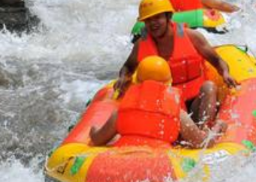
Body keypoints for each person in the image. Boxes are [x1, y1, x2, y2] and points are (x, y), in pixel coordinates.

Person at [115, 0, 238, 127]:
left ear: (168, 17)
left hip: (194, 103)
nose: (153, 23)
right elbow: (128, 67)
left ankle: (204, 132)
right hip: (165, 107)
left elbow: (217, 61)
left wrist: (225, 73)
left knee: (209, 87)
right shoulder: (141, 45)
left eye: (157, 18)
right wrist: (122, 78)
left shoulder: (191, 36)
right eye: (148, 20)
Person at [90, 56, 226, 148]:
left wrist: (92, 130)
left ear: (137, 83)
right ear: (168, 85)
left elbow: (97, 139)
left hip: (122, 163)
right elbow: (202, 143)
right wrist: (218, 127)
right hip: (159, 166)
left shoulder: (120, 112)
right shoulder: (177, 115)